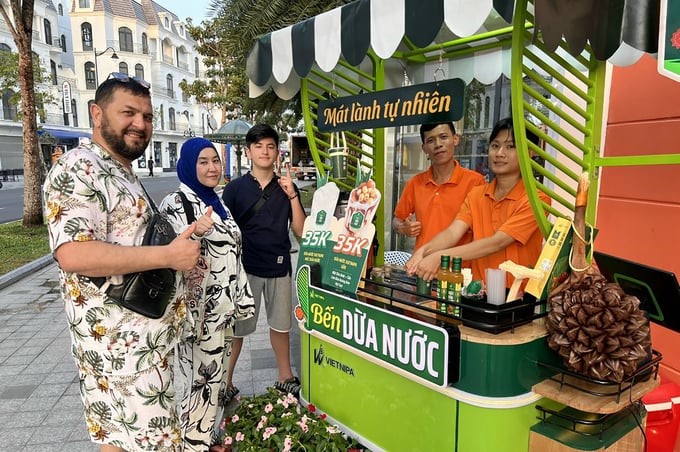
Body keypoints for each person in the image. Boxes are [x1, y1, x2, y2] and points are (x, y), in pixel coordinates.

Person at [42, 73, 202, 452]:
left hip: (129, 349)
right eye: (128, 112)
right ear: (97, 114)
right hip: (124, 355)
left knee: (116, 440)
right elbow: (73, 253)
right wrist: (167, 255)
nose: (141, 124)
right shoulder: (80, 168)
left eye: (147, 117)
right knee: (155, 444)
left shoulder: (119, 169)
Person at [159, 137, 255, 450]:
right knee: (198, 383)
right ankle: (193, 444)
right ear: (188, 165)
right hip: (198, 316)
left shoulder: (216, 200)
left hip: (222, 311)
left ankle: (205, 437)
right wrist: (197, 233)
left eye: (215, 160)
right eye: (203, 162)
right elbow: (168, 255)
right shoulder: (176, 203)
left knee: (213, 380)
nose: (212, 167)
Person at [406, 117, 550, 286]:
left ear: (530, 152)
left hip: (516, 298)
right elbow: (453, 232)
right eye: (495, 146)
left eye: (510, 146)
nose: (499, 153)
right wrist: (423, 250)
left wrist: (440, 257)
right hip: (477, 292)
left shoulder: (537, 200)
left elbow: (496, 243)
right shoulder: (477, 194)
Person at [222, 123, 306, 399]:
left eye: (270, 146)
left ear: (277, 152)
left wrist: (292, 193)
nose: (265, 151)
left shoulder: (286, 188)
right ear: (248, 152)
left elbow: (301, 231)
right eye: (258, 146)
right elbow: (223, 231)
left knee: (281, 325)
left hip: (279, 266)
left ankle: (285, 376)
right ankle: (226, 382)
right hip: (244, 270)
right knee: (238, 329)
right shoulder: (234, 190)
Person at [392, 121, 485, 252]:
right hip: (421, 266)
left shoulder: (475, 182)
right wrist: (403, 228)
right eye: (431, 140)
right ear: (424, 149)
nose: (438, 144)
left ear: (455, 139)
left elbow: (483, 231)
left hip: (460, 269)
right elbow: (396, 220)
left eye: (443, 137)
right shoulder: (415, 183)